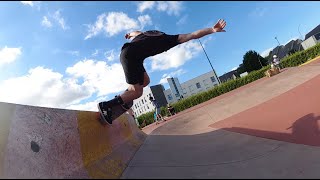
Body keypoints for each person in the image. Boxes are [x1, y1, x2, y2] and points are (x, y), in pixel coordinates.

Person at [98, 19, 227, 124]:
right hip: (130, 57)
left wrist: (129, 34)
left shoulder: (144, 34)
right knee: (137, 92)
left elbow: (135, 32)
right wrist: (212, 29)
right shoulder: (169, 39)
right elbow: (192, 35)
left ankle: (125, 97)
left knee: (146, 81)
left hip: (133, 56)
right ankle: (107, 106)